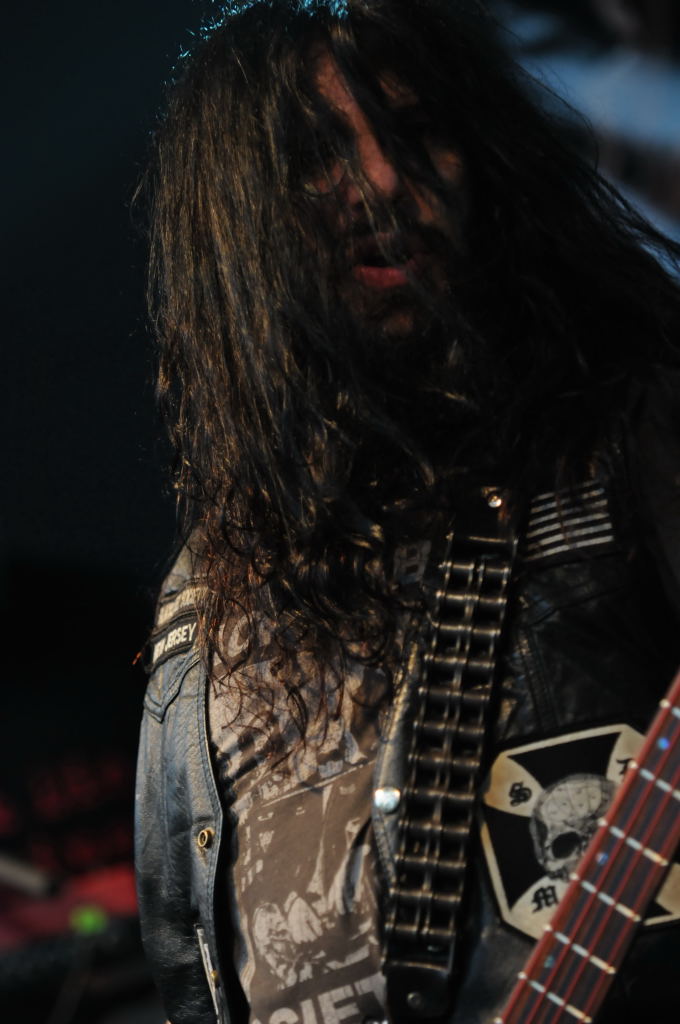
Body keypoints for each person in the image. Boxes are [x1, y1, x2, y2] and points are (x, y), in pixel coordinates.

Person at [134, 2, 680, 1023]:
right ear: (235, 224)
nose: (385, 180)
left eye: (418, 132)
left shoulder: (626, 437)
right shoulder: (199, 604)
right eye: (317, 153)